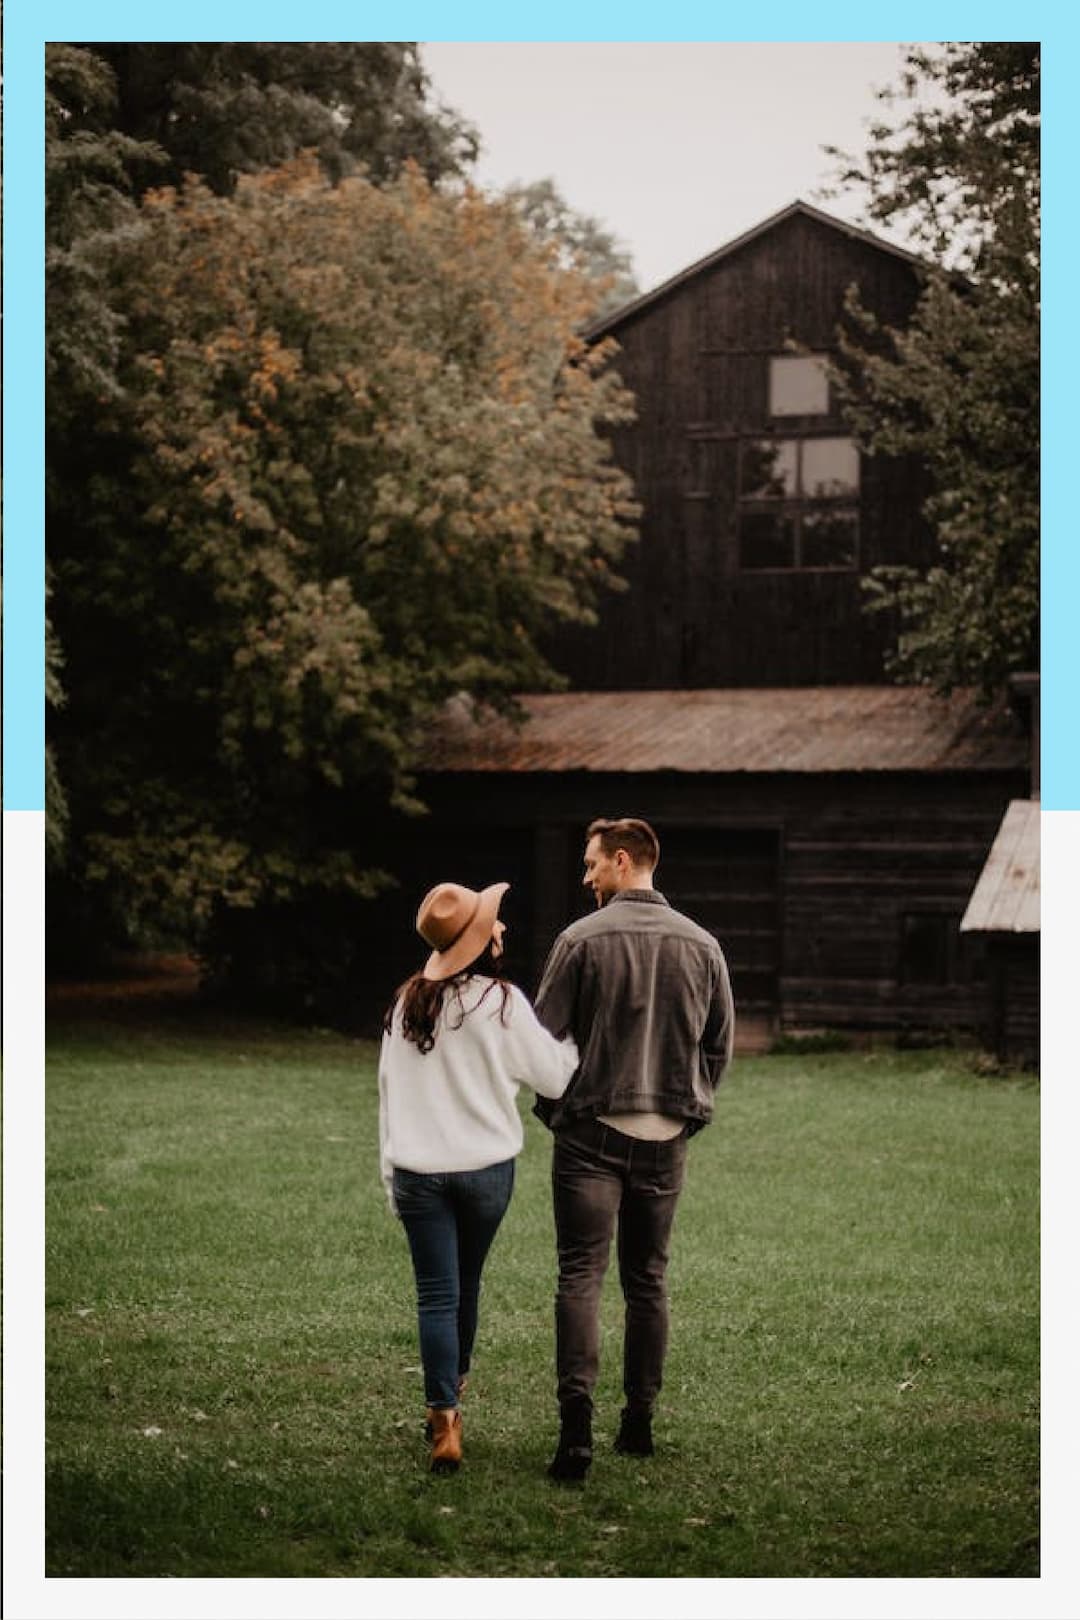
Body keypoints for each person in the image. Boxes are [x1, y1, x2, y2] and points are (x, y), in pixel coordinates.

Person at [533, 817, 735, 1482]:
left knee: (579, 1278)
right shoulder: (704, 945)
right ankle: (639, 1423)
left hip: (591, 1135)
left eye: (592, 864)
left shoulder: (579, 940)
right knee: (647, 1281)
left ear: (623, 862)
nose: (586, 877)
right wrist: (685, 1108)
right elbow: (719, 1047)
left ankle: (576, 1433)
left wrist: (558, 1107)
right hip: (665, 1138)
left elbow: (541, 1041)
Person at [379, 879, 579, 1473]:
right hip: (487, 1173)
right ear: (478, 940)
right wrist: (574, 1040)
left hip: (418, 1171)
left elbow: (388, 1097)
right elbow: (557, 1078)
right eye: (494, 922)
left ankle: (444, 1419)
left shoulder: (405, 1003)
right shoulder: (503, 1003)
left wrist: (390, 1177)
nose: (503, 927)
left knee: (435, 1295)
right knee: (465, 1286)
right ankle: (452, 1391)